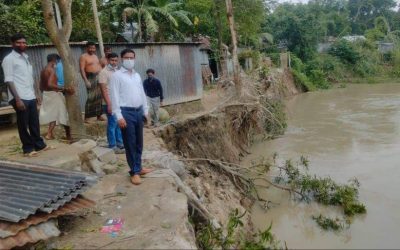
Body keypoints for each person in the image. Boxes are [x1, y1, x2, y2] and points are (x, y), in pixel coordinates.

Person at [110, 49, 153, 185]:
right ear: (122, 59)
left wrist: (146, 111)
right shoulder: (116, 76)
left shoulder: (137, 76)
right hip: (126, 112)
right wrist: (119, 116)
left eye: (132, 57)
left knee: (139, 142)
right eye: (127, 58)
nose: (129, 60)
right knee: (130, 143)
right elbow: (114, 97)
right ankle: (133, 172)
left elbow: (142, 93)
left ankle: (138, 167)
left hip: (138, 111)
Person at [1, 33, 49, 157]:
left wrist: (36, 93)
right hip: (19, 97)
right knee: (23, 124)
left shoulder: (25, 57)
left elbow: (29, 78)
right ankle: (27, 149)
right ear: (12, 44)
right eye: (19, 42)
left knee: (34, 122)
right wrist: (17, 99)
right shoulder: (9, 59)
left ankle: (39, 145)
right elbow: (9, 80)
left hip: (30, 95)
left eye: (24, 42)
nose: (22, 44)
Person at [39, 54, 71, 142]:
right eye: (57, 61)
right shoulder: (51, 70)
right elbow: (50, 84)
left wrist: (44, 93)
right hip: (53, 94)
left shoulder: (43, 70)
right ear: (54, 60)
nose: (57, 63)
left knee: (53, 114)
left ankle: (49, 133)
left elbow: (41, 86)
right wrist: (63, 88)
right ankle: (69, 135)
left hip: (46, 94)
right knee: (64, 114)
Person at [98, 52, 124, 153]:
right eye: (112, 60)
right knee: (112, 124)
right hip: (109, 103)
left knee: (118, 123)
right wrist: (109, 103)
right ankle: (112, 145)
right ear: (108, 60)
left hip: (118, 102)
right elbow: (103, 89)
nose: (114, 62)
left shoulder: (117, 71)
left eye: (116, 60)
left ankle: (120, 144)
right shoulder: (103, 72)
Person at [79, 41, 103, 122]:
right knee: (91, 97)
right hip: (90, 77)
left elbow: (98, 66)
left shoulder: (95, 56)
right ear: (87, 48)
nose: (92, 49)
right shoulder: (83, 57)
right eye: (90, 48)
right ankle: (87, 117)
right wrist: (86, 80)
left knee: (99, 97)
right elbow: (82, 69)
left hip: (98, 76)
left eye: (93, 48)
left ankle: (99, 116)